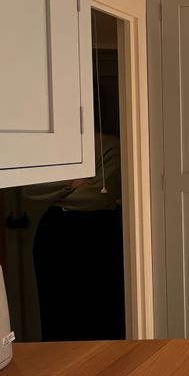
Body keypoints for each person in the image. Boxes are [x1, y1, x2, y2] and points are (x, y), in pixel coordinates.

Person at [25, 132, 124, 341]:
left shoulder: (110, 146)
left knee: (101, 312)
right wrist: (70, 184)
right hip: (56, 234)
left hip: (98, 233)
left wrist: (59, 192)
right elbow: (30, 189)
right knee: (58, 311)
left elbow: (97, 196)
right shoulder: (50, 147)